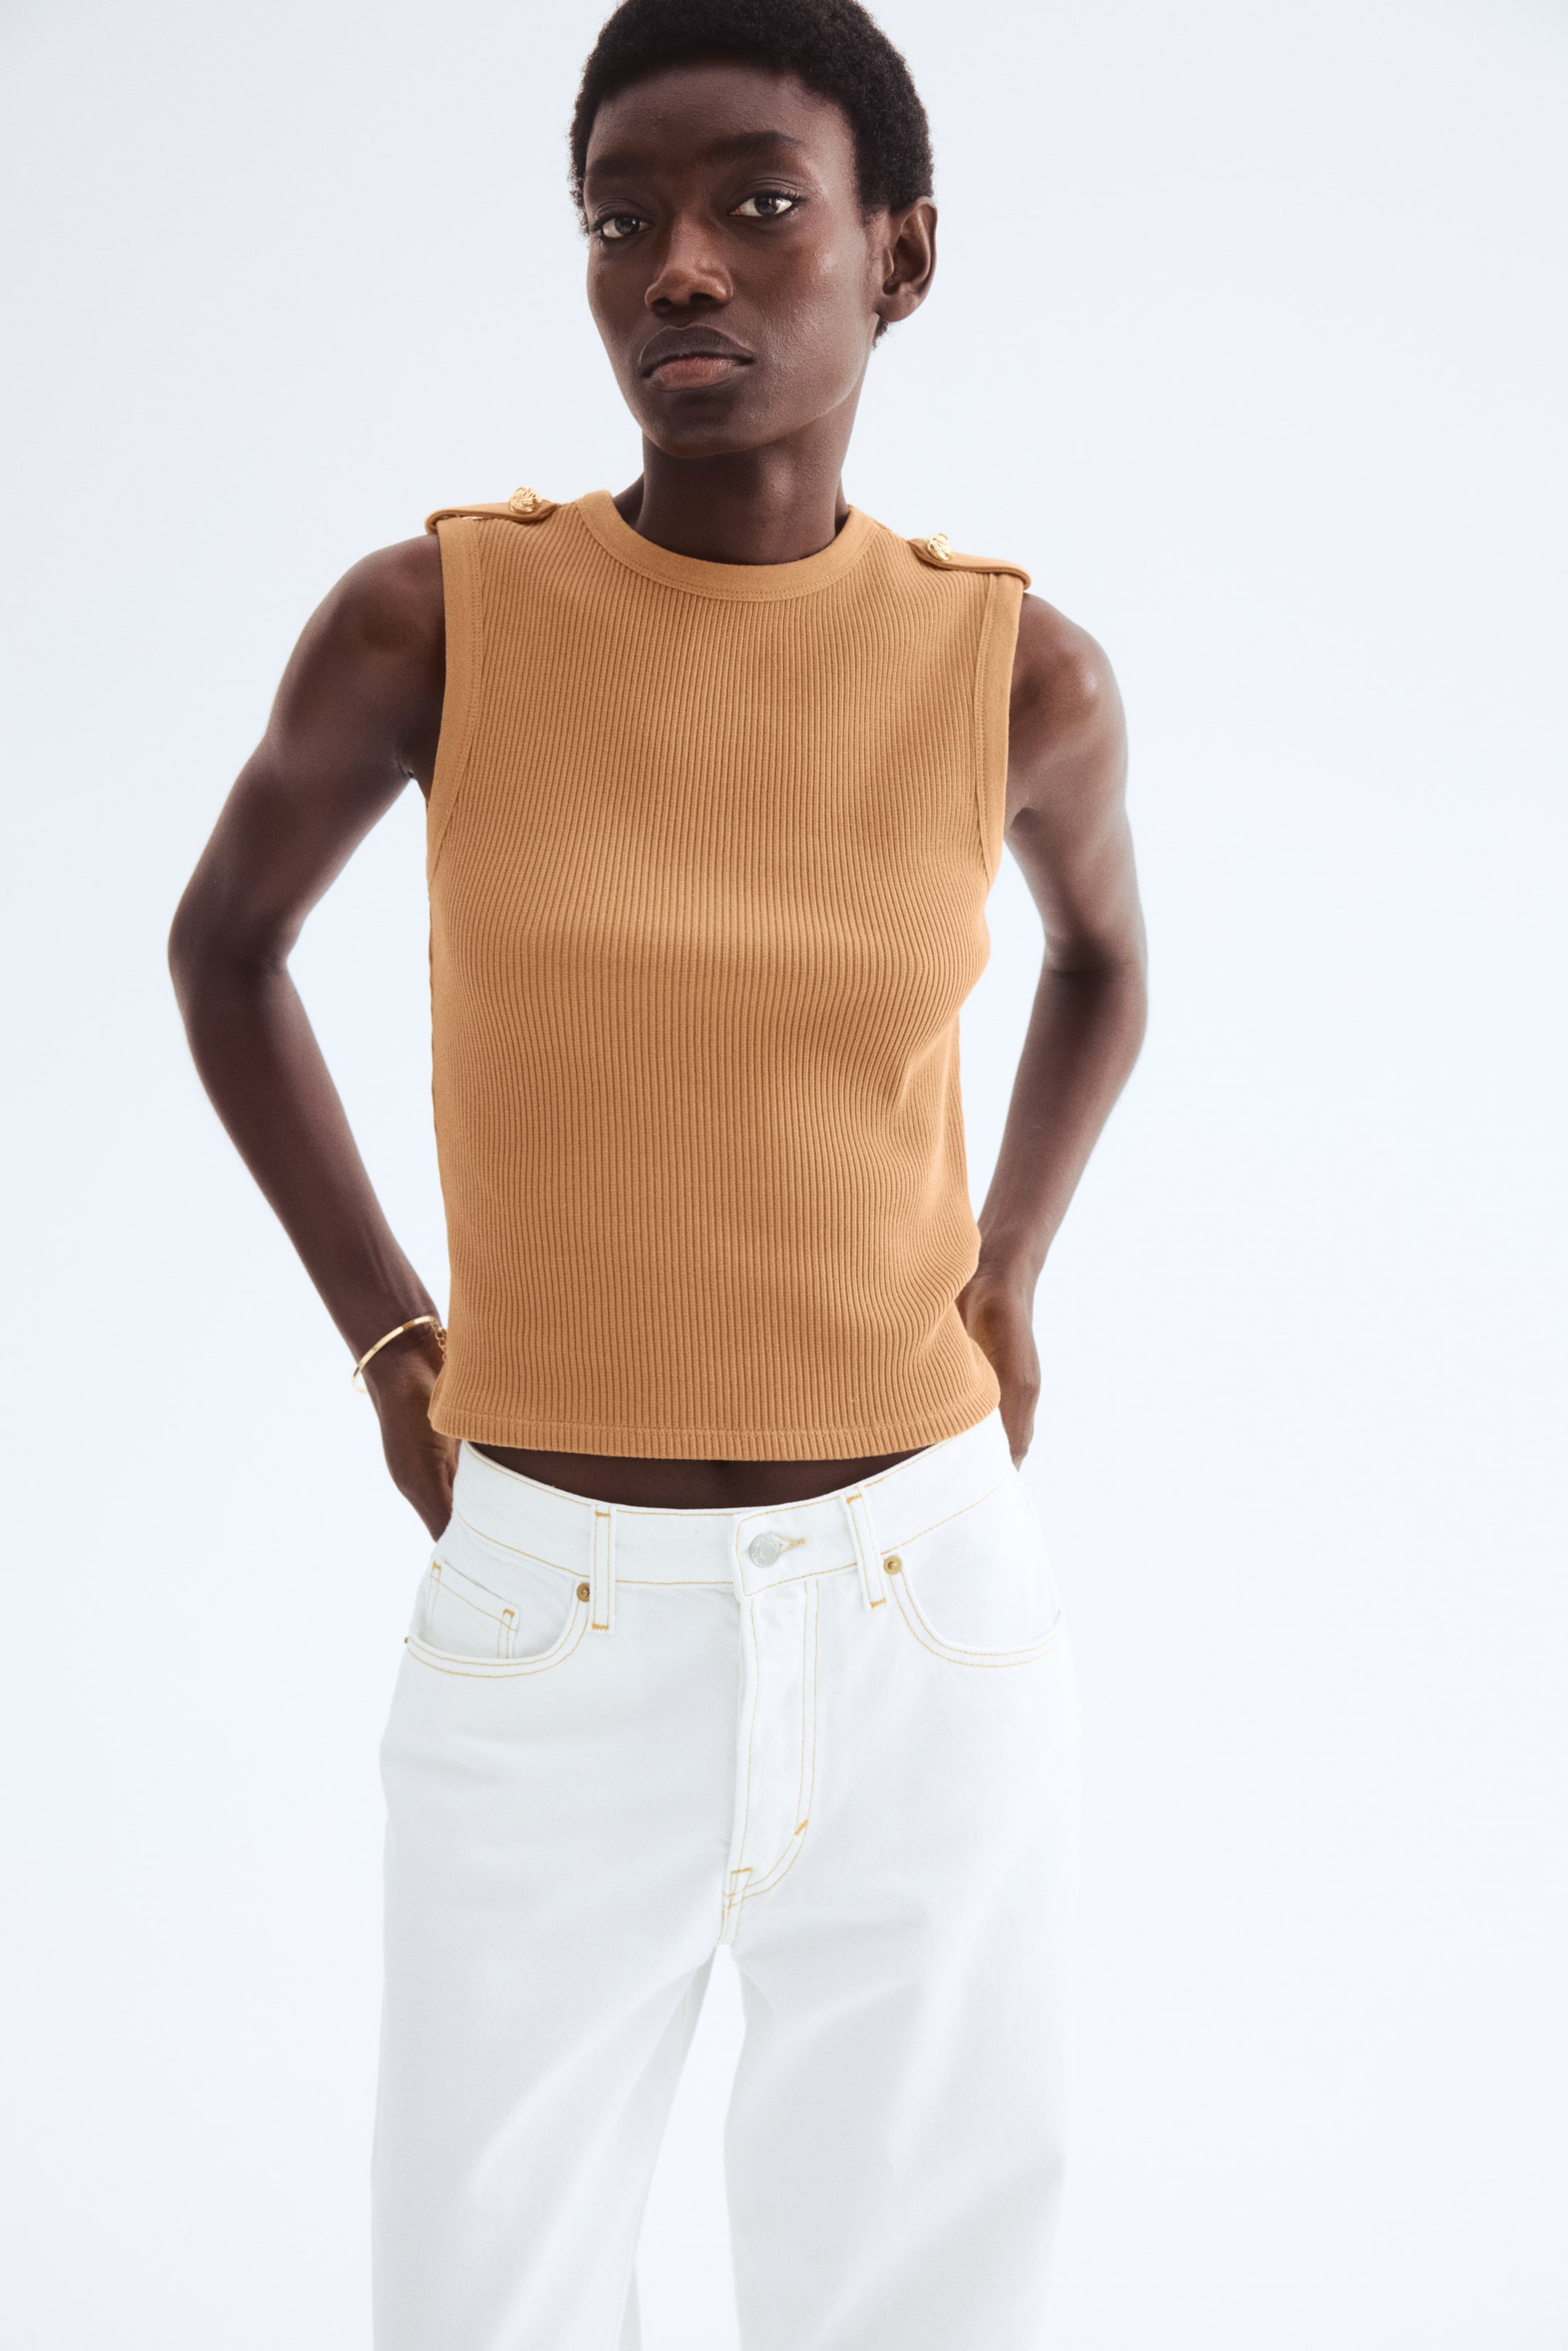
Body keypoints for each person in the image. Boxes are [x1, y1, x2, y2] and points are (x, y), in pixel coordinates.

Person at [169, 1, 1146, 2343]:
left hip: (924, 1603)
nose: (680, 267)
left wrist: (1012, 1264)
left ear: (901, 255)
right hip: (551, 1608)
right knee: (481, 2293)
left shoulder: (1015, 671)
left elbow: (1105, 962)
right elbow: (226, 951)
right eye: (623, 222)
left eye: (756, 205)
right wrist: (390, 1339)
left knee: (919, 2297)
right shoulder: (437, 620)